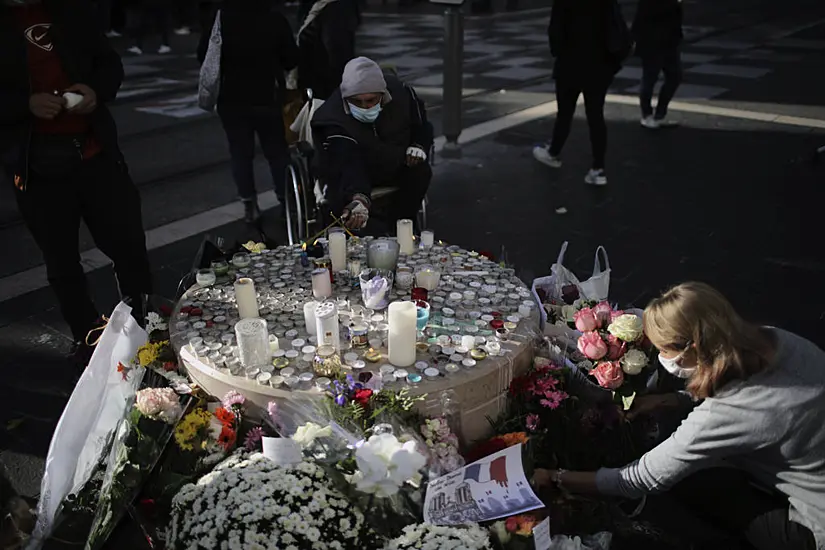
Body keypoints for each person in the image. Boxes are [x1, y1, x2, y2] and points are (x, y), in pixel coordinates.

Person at [534, 282, 825, 550]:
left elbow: (639, 479)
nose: (662, 359)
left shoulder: (728, 413)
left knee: (693, 479)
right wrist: (669, 399)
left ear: (694, 349)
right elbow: (731, 383)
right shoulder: (773, 339)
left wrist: (556, 476)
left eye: (663, 350)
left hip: (811, 529)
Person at [0, 0, 152, 364]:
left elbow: (109, 63)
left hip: (95, 154)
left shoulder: (68, 9)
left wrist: (94, 90)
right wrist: (27, 104)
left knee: (129, 245)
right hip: (37, 166)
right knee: (62, 261)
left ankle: (146, 327)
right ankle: (88, 338)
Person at [197, 0, 298, 223]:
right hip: (267, 97)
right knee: (277, 152)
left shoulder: (221, 18)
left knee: (240, 153)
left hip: (231, 99)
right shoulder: (274, 17)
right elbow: (291, 57)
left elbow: (203, 54)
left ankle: (249, 205)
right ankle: (286, 203)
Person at [311, 57, 433, 232]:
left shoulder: (403, 96)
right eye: (357, 102)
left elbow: (422, 126)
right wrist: (359, 198)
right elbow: (347, 161)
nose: (365, 107)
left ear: (383, 95)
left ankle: (401, 224)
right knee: (339, 197)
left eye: (370, 101)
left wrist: (418, 146)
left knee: (421, 171)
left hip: (394, 160)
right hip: (353, 170)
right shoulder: (333, 119)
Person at [532, 0, 624, 186]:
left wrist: (559, 52)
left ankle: (554, 152)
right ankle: (598, 168)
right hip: (599, 64)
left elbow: (556, 32)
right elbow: (617, 27)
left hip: (570, 62)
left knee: (565, 113)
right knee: (596, 115)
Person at [632, 0, 683, 129]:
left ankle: (659, 114)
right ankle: (647, 115)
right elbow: (644, 16)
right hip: (652, 42)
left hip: (669, 42)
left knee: (674, 77)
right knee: (650, 78)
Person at [296, 0, 358, 101]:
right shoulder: (317, 7)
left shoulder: (335, 9)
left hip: (324, 94)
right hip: (318, 90)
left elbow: (337, 55)